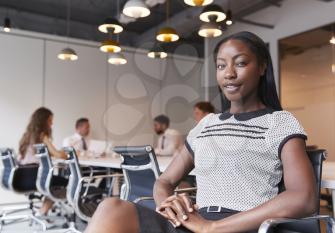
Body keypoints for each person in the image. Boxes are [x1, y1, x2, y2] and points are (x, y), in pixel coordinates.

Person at [84, 31, 317, 233]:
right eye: (221, 65)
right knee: (111, 208)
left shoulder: (279, 123)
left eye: (241, 63)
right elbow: (164, 181)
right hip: (193, 224)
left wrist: (212, 227)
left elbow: (303, 197)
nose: (229, 74)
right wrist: (171, 205)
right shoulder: (206, 124)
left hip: (240, 226)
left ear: (262, 67)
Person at [18, 107, 67, 216]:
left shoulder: (26, 136)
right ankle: (42, 212)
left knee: (54, 181)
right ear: (43, 121)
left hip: (22, 175)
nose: (52, 123)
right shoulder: (42, 135)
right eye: (50, 120)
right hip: (34, 176)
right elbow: (58, 155)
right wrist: (66, 153)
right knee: (65, 182)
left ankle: (43, 211)